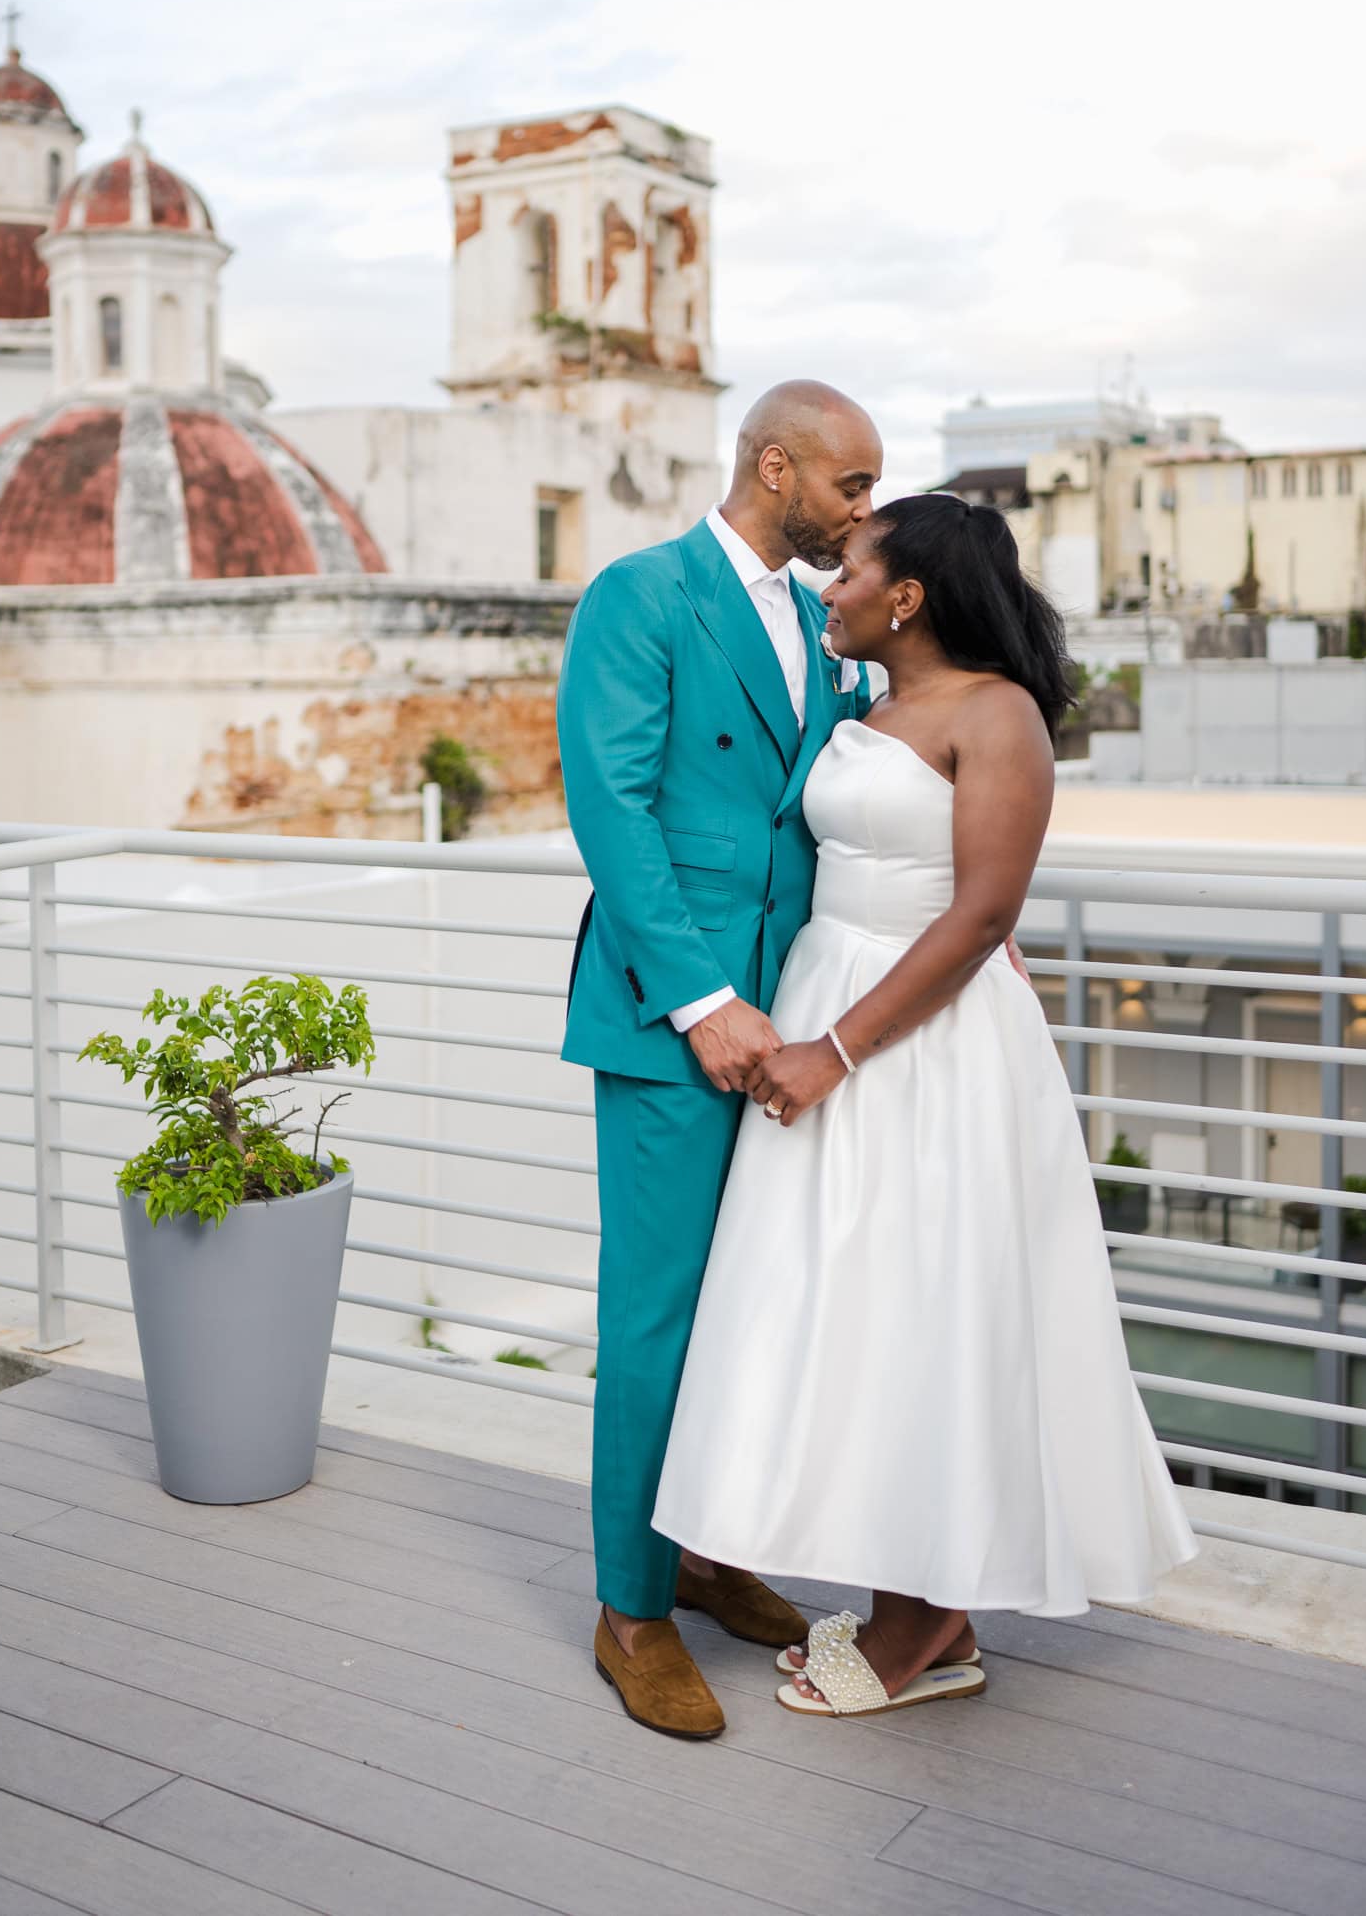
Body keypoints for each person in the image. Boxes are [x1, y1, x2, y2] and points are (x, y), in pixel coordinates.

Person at [654, 493, 1197, 1720]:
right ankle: (917, 1598)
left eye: (848, 570)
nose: (828, 585)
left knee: (929, 1305)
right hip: (830, 1001)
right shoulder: (875, 706)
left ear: (906, 597)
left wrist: (833, 1052)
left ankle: (925, 1626)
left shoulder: (997, 715)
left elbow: (983, 917)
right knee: (853, 1311)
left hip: (917, 1047)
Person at [556, 379, 883, 1739]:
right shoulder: (640, 594)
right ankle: (631, 1610)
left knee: (752, 1301)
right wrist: (702, 1001)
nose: (867, 513)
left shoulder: (831, 617)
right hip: (668, 1016)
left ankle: (704, 1544)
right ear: (776, 465)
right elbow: (611, 802)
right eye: (851, 488)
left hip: (795, 1018)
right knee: (655, 1313)